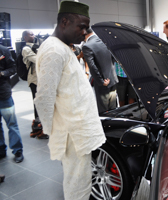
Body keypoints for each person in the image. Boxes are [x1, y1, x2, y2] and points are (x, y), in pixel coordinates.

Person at [34, 1, 106, 199]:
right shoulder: (54, 51)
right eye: (81, 26)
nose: (84, 32)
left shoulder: (63, 47)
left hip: (77, 129)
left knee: (81, 179)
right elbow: (44, 98)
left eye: (86, 27)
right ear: (64, 22)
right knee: (77, 184)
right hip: (72, 133)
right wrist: (53, 130)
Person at [82, 28, 118, 113]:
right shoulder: (105, 41)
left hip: (103, 83)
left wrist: (101, 81)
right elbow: (113, 59)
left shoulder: (87, 46)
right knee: (114, 110)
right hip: (112, 79)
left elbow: (92, 67)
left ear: (84, 34)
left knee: (103, 111)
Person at [22, 30, 49, 139]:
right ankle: (38, 130)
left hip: (43, 80)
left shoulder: (38, 47)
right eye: (31, 34)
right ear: (25, 37)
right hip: (34, 80)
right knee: (38, 105)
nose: (33, 36)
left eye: (34, 34)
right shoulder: (26, 49)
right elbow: (38, 60)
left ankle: (43, 127)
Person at [0, 45, 24, 163]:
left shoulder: (3, 50)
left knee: (12, 124)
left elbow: (13, 68)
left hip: (4, 94)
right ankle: (1, 149)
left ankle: (17, 150)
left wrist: (2, 73)